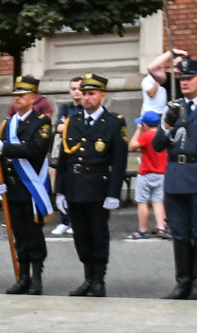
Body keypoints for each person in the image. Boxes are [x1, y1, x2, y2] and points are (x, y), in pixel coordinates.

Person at [55, 73, 128, 297]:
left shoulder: (114, 122)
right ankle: (87, 277)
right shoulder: (73, 122)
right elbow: (64, 160)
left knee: (98, 234)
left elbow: (119, 161)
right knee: (81, 236)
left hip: (98, 188)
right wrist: (59, 190)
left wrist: (114, 192)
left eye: (91, 94)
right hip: (75, 187)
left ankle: (99, 279)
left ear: (102, 96)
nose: (86, 98)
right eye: (84, 94)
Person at [154, 58, 197, 300]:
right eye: (181, 79)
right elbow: (158, 145)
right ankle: (182, 283)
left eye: (189, 78)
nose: (184, 82)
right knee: (179, 233)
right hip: (176, 177)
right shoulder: (174, 106)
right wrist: (168, 124)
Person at [0, 76, 55, 295]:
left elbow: (34, 149)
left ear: (33, 97)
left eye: (22, 95)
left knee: (33, 234)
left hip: (32, 187)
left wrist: (5, 147)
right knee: (19, 234)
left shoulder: (42, 122)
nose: (17, 99)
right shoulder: (8, 124)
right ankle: (22, 276)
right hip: (14, 188)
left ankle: (36, 278)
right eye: (15, 95)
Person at [51, 77, 85, 235]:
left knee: (78, 189)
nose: (76, 91)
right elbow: (58, 127)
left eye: (79, 88)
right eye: (73, 88)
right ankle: (64, 220)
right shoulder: (65, 108)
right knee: (63, 186)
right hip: (66, 152)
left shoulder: (86, 108)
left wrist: (68, 124)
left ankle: (75, 222)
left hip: (82, 153)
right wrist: (69, 126)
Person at [128, 110, 168, 240]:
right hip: (161, 173)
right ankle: (161, 226)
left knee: (142, 202)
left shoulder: (147, 136)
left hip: (146, 173)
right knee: (158, 201)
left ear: (145, 124)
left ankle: (143, 229)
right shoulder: (162, 136)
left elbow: (132, 146)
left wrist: (138, 130)